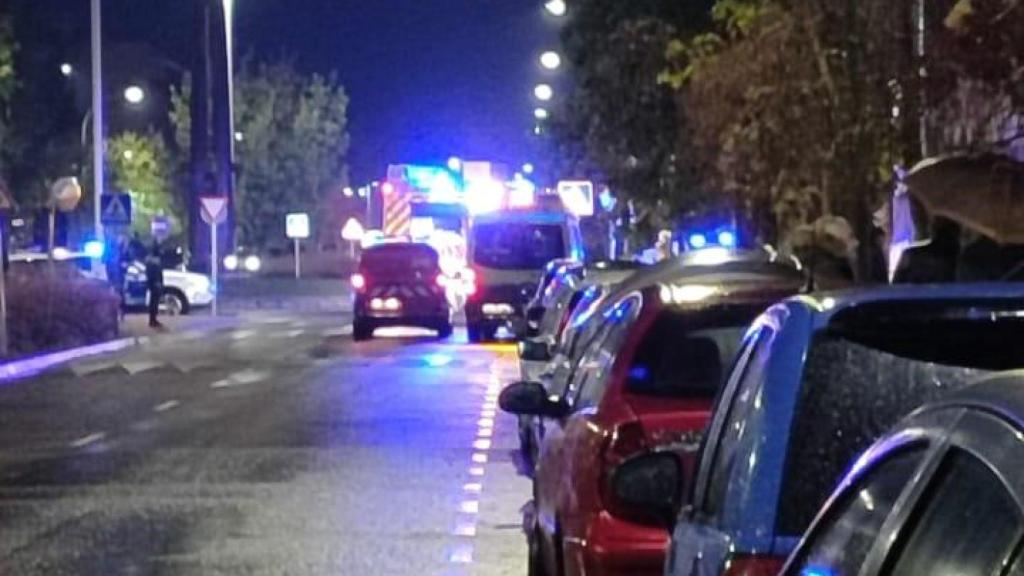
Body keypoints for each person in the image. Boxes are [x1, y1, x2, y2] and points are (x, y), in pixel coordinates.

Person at [144, 239, 165, 328]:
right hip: (154, 283)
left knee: (154, 302)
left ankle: (153, 319)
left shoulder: (151, 260)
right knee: (154, 302)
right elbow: (154, 273)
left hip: (154, 283)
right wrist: (157, 282)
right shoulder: (153, 261)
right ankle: (152, 320)